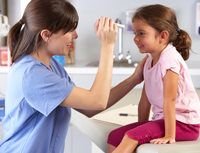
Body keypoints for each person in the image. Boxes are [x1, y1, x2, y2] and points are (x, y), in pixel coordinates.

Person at [0, 0, 148, 152]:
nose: (75, 35)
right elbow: (97, 102)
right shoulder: (33, 75)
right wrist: (108, 45)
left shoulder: (52, 67)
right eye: (70, 30)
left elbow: (90, 107)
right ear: (46, 35)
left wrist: (135, 78)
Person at [107, 4, 200, 153]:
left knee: (131, 137)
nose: (136, 38)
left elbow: (169, 100)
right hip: (164, 121)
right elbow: (144, 101)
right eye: (135, 33)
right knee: (114, 136)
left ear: (163, 36)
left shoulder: (169, 60)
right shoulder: (149, 61)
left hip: (183, 124)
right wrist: (141, 127)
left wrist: (169, 135)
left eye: (142, 33)